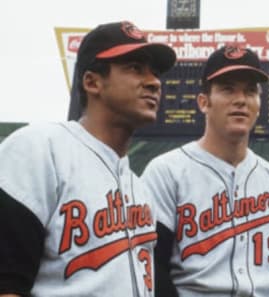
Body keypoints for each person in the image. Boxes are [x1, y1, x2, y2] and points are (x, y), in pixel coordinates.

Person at [0, 21, 176, 297]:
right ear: (92, 82)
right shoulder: (41, 148)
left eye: (155, 73)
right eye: (135, 68)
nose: (154, 82)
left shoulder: (139, 188)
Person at [141, 45, 269, 297]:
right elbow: (152, 266)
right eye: (228, 89)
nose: (240, 99)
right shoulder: (166, 172)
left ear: (259, 104)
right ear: (204, 102)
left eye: (251, 91)